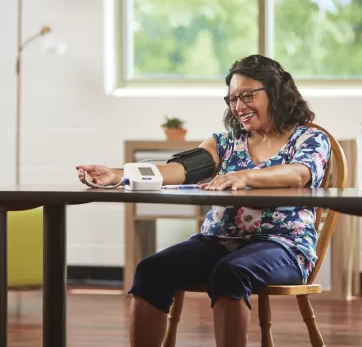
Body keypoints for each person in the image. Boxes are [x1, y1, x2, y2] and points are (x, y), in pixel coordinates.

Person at [77, 54, 331, 347]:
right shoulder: (224, 143)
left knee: (231, 272)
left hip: (283, 246)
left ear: (276, 91)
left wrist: (245, 176)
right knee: (151, 270)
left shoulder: (308, 138)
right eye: (232, 99)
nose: (238, 106)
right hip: (218, 241)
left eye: (247, 95)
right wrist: (120, 174)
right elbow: (181, 170)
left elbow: (299, 173)